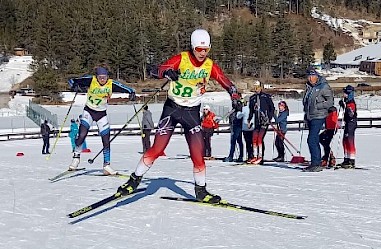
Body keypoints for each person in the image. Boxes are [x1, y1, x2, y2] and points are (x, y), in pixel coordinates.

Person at [117, 28, 241, 203]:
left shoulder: (209, 65)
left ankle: (201, 191)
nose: (203, 53)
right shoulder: (181, 59)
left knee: (197, 154)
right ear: (193, 47)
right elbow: (157, 69)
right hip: (172, 109)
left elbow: (226, 82)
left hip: (192, 113)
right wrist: (167, 72)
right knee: (157, 149)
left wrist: (235, 96)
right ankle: (134, 180)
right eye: (199, 50)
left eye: (206, 50)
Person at [67, 66, 135, 175]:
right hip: (89, 111)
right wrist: (74, 86)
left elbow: (126, 88)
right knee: (82, 135)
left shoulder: (111, 84)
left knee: (106, 140)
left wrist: (131, 93)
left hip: (101, 114)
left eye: (104, 77)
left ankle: (106, 165)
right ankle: (76, 158)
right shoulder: (91, 80)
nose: (102, 79)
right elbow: (72, 80)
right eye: (100, 77)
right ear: (96, 77)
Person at [302, 67, 334, 172]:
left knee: (311, 139)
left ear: (317, 76)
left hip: (319, 116)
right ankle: (316, 162)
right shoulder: (309, 88)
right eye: (309, 76)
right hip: (310, 116)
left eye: (312, 76)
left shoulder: (323, 86)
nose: (310, 78)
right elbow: (306, 102)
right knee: (314, 139)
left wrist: (318, 106)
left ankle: (316, 163)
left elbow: (330, 102)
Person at [247, 81, 275, 164]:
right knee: (254, 139)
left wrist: (269, 118)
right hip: (257, 122)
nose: (256, 89)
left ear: (261, 87)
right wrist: (249, 119)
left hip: (264, 121)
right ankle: (255, 156)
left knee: (260, 139)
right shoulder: (252, 98)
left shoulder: (266, 97)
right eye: (255, 87)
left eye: (258, 87)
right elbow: (251, 111)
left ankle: (260, 156)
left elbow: (272, 108)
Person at [338, 85, 357, 168]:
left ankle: (351, 160)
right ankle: (346, 158)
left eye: (345, 93)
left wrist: (346, 107)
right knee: (345, 140)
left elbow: (351, 114)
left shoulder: (351, 102)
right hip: (347, 123)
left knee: (349, 140)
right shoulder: (347, 102)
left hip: (351, 123)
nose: (344, 95)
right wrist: (343, 105)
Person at [237, 96, 254, 163]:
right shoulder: (253, 108)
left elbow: (238, 116)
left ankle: (250, 156)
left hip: (246, 128)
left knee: (248, 143)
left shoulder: (244, 108)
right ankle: (253, 155)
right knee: (253, 143)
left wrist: (239, 109)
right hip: (252, 127)